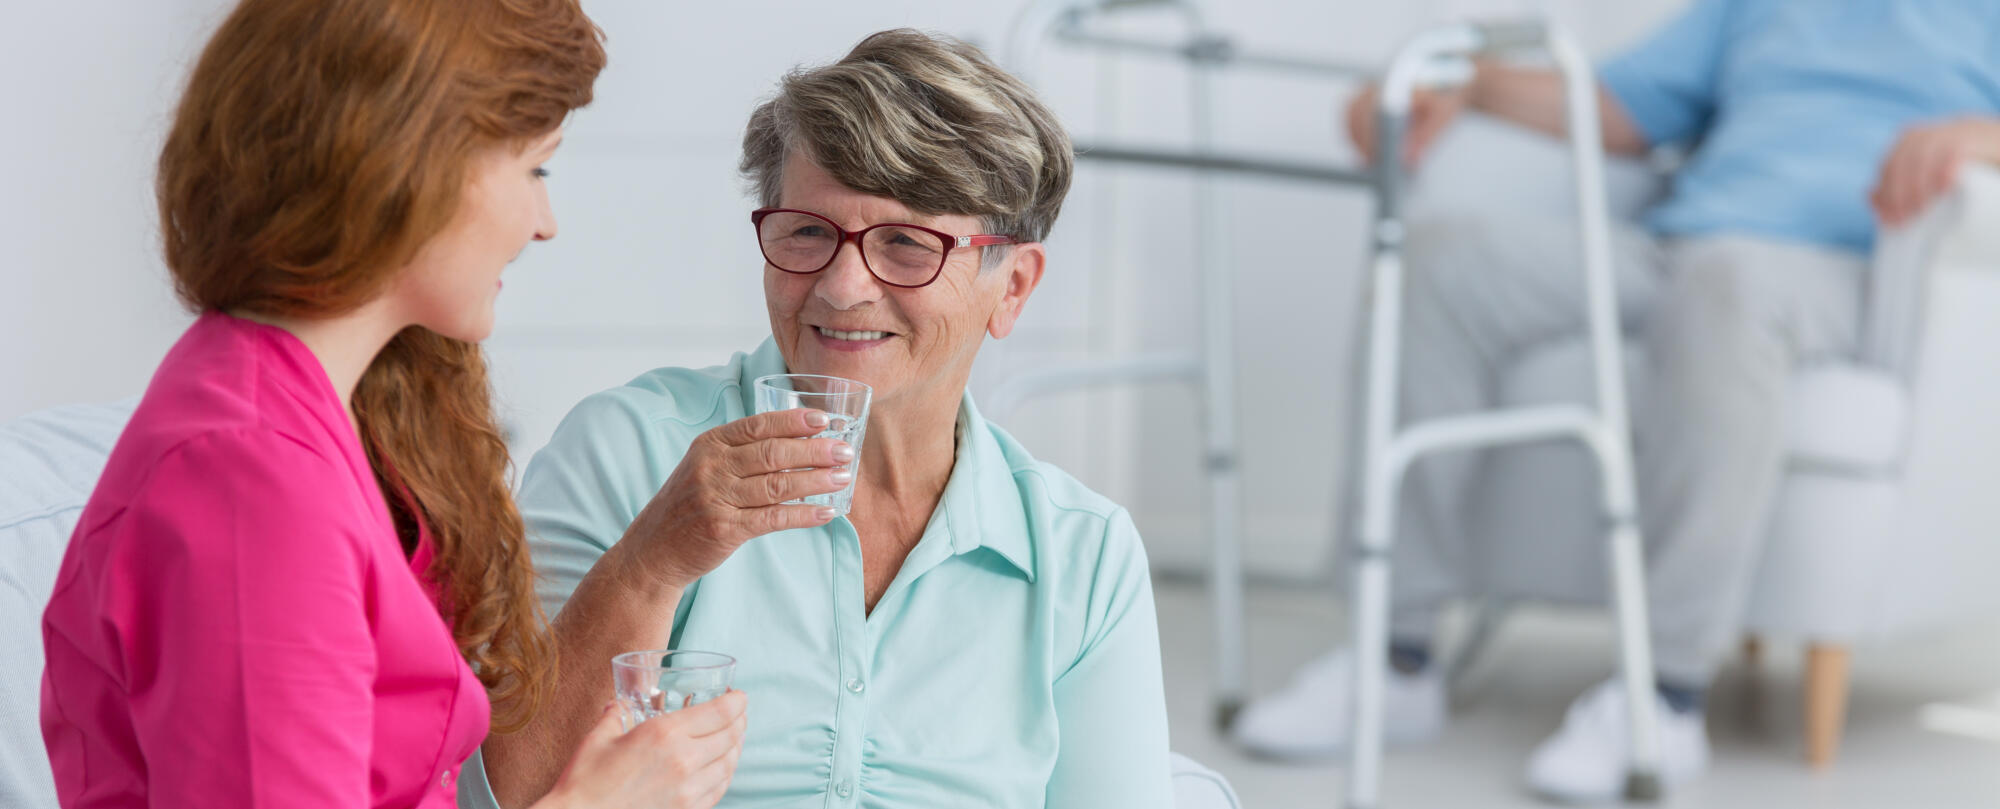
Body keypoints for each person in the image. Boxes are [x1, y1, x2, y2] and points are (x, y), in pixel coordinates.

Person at [1231, 0, 2000, 801]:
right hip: (1679, 245)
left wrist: (1983, 138)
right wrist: (1462, 82)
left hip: (1844, 275)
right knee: (1443, 263)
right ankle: (1396, 655)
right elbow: (1617, 108)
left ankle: (1663, 693)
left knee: (1726, 282)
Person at [38, 1, 745, 807]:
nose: (544, 224)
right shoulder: (249, 480)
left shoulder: (312, 425)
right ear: (414, 165)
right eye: (534, 171)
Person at [471, 28, 1173, 809]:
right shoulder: (626, 451)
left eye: (907, 245)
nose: (841, 288)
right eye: (808, 232)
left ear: (1011, 287)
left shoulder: (1083, 559)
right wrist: (652, 559)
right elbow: (498, 794)